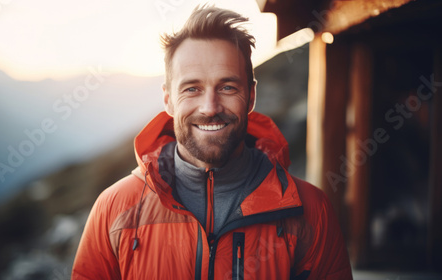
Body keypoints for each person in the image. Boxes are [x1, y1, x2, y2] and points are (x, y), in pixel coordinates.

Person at [72, 6, 352, 280]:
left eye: (228, 87)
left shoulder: (312, 210)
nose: (210, 107)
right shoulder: (113, 208)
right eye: (192, 88)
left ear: (251, 95)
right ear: (168, 99)